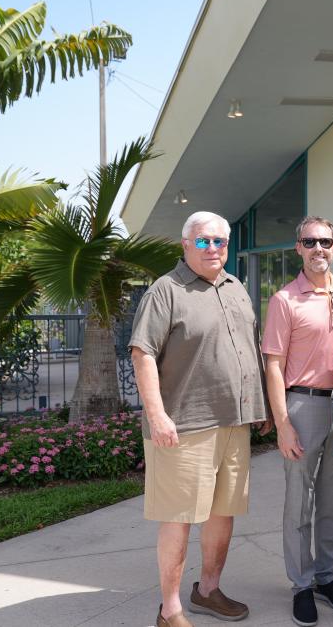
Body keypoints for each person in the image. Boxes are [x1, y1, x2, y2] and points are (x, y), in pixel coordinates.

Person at [130, 211, 268, 627]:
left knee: (223, 513)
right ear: (185, 245)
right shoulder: (166, 291)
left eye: (220, 242)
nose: (213, 249)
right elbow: (142, 353)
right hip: (184, 426)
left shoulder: (235, 287)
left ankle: (207, 590)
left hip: (233, 423)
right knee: (180, 518)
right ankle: (169, 610)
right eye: (204, 241)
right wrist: (157, 415)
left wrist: (257, 406)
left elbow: (247, 348)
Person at [262, 215, 333, 627]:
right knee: (299, 502)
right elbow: (273, 365)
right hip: (303, 405)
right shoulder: (285, 300)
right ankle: (301, 584)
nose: (319, 249)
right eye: (310, 242)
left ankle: (326, 577)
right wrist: (282, 423)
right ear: (298, 247)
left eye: (326, 242)